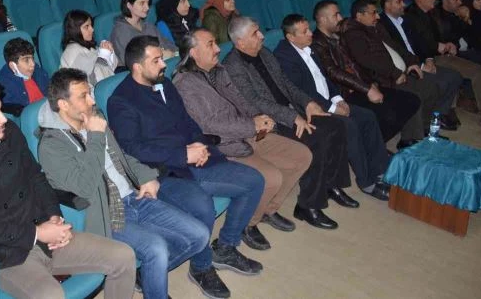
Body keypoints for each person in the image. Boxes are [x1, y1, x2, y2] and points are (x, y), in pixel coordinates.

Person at [0, 78, 137, 299]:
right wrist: (38, 233)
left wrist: (54, 215)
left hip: (46, 231)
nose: (4, 118)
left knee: (123, 256)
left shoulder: (9, 132)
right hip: (6, 254)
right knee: (50, 295)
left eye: (1, 110)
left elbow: (36, 177)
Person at [107, 36, 266, 298]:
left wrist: (200, 145)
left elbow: (188, 121)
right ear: (137, 67)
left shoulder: (164, 84)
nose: (164, 65)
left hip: (195, 160)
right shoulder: (121, 101)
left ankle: (225, 247)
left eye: (162, 58)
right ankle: (201, 268)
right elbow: (132, 149)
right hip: (163, 172)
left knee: (253, 181)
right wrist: (183, 155)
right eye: (156, 60)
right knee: (202, 207)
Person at [39, 68, 210, 299]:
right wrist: (96, 137)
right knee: (157, 248)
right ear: (63, 104)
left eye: (90, 93)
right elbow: (85, 187)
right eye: (83, 96)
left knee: (200, 235)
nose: (92, 101)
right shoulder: (51, 145)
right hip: (106, 213)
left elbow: (122, 156)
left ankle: (147, 275)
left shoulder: (94, 116)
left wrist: (146, 176)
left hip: (135, 197)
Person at [173, 29, 311, 250]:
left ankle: (267, 210)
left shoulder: (219, 70)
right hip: (224, 145)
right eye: (210, 44)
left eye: (215, 43)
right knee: (271, 177)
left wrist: (259, 118)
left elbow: (241, 101)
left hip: (249, 134)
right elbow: (209, 125)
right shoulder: (185, 84)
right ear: (193, 52)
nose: (218, 48)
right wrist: (251, 125)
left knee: (302, 156)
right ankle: (248, 224)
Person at [223, 16, 355, 229]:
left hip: (291, 110)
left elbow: (286, 83)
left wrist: (308, 102)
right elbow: (254, 101)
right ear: (240, 42)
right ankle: (308, 205)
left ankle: (331, 184)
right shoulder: (233, 66)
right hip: (271, 122)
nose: (262, 35)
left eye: (259, 30)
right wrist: (292, 117)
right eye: (255, 33)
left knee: (336, 126)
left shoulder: (264, 53)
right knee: (315, 139)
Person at [274, 15, 391, 200]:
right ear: (291, 37)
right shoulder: (283, 57)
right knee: (349, 126)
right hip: (309, 108)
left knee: (367, 116)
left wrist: (338, 99)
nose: (311, 33)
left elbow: (324, 78)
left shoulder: (309, 47)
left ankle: (380, 170)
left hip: (329, 100)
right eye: (305, 31)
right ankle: (366, 182)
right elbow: (301, 91)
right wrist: (332, 108)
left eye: (309, 29)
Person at [342, 0, 460, 148]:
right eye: (373, 13)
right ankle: (408, 139)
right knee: (415, 94)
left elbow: (397, 47)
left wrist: (412, 62)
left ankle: (425, 129)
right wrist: (395, 73)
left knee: (431, 87)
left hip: (399, 71)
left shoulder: (376, 27)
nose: (377, 16)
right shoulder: (353, 34)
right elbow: (368, 61)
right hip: (382, 78)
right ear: (359, 15)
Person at [312, 0, 422, 142]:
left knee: (411, 100)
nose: (340, 18)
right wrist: (367, 89)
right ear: (322, 19)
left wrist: (371, 82)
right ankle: (376, 146)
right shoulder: (317, 42)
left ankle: (393, 141)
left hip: (362, 85)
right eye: (336, 15)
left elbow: (356, 62)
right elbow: (334, 72)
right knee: (387, 113)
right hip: (345, 92)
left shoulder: (339, 35)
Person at [392, 0, 481, 123]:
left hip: (440, 53)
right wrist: (435, 48)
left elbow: (443, 34)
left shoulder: (432, 13)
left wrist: (450, 43)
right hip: (429, 57)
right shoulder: (409, 17)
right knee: (459, 74)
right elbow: (417, 43)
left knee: (479, 70)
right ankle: (447, 110)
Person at [110, 0, 177, 67]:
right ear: (129, 5)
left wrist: (175, 52)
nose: (147, 7)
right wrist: (161, 55)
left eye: (148, 3)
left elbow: (168, 44)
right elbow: (129, 62)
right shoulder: (120, 32)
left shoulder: (149, 26)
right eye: (142, 3)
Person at [60, 10, 117, 86]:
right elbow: (92, 79)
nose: (92, 29)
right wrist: (104, 56)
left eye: (91, 25)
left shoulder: (89, 46)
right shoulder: (72, 51)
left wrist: (109, 52)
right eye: (86, 26)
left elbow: (110, 69)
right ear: (75, 30)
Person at [0, 37, 50, 116]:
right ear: (13, 65)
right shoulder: (5, 85)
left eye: (32, 58)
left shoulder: (38, 71)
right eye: (26, 60)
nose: (33, 64)